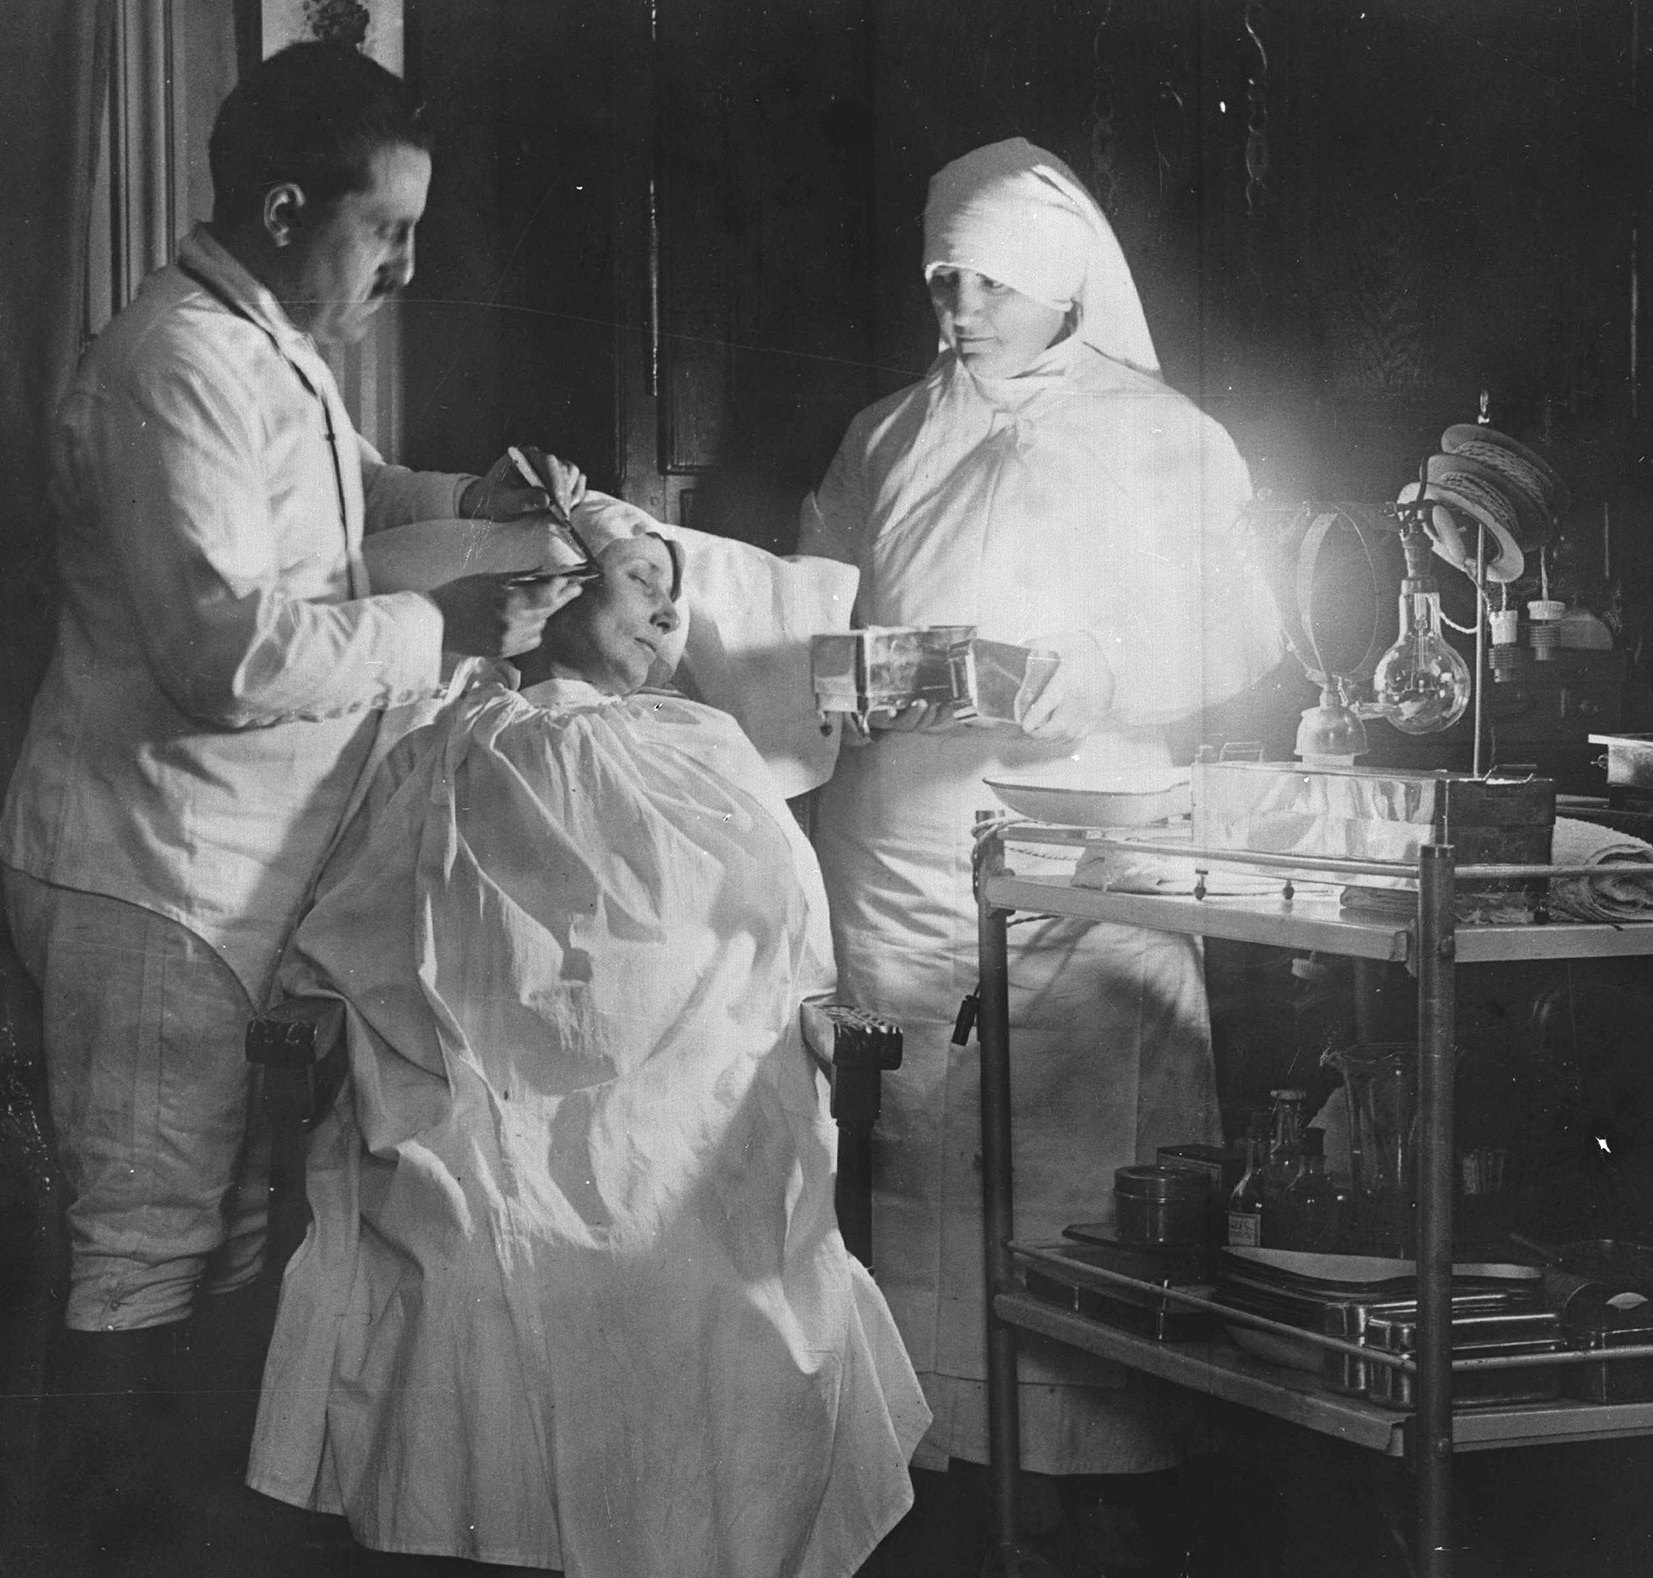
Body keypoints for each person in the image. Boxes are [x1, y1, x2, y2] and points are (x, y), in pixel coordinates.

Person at [0, 40, 588, 1555]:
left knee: (224, 1242)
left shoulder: (268, 341)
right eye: (386, 228)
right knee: (142, 1252)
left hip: (232, 870)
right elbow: (221, 653)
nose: (405, 264)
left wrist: (468, 503)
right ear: (278, 208)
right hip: (151, 872)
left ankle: (172, 1547)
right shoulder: (172, 362)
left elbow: (345, 493)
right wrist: (440, 625)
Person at [246, 507, 931, 1578]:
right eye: (640, 576)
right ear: (554, 586)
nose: (669, 610)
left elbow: (787, 941)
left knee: (714, 1287)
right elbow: (357, 935)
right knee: (475, 1264)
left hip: (697, 1117)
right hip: (482, 1112)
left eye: (677, 593)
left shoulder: (705, 744)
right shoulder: (447, 745)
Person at [796, 139, 1280, 1568]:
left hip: (1084, 852)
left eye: (990, 282)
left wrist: (1105, 665)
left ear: (1062, 280)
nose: (958, 306)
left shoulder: (1164, 435)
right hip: (896, 854)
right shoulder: (885, 436)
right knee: (910, 1145)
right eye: (942, 276)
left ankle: (1088, 1465)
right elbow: (814, 604)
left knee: (1076, 1149)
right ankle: (918, 1455)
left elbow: (1242, 628)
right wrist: (840, 674)